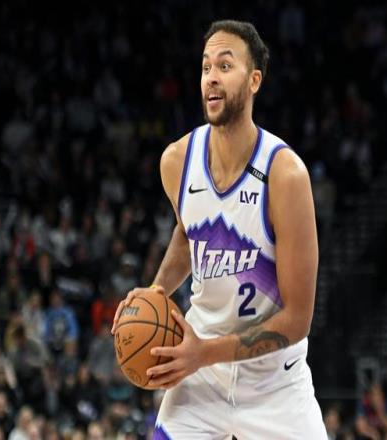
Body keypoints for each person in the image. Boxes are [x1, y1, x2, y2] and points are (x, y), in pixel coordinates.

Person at [112, 19, 327, 438]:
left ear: (254, 81)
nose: (211, 76)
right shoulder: (177, 162)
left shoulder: (285, 176)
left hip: (273, 384)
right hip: (202, 380)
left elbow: (298, 319)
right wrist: (156, 290)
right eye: (206, 66)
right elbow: (188, 231)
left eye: (225, 66)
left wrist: (203, 353)